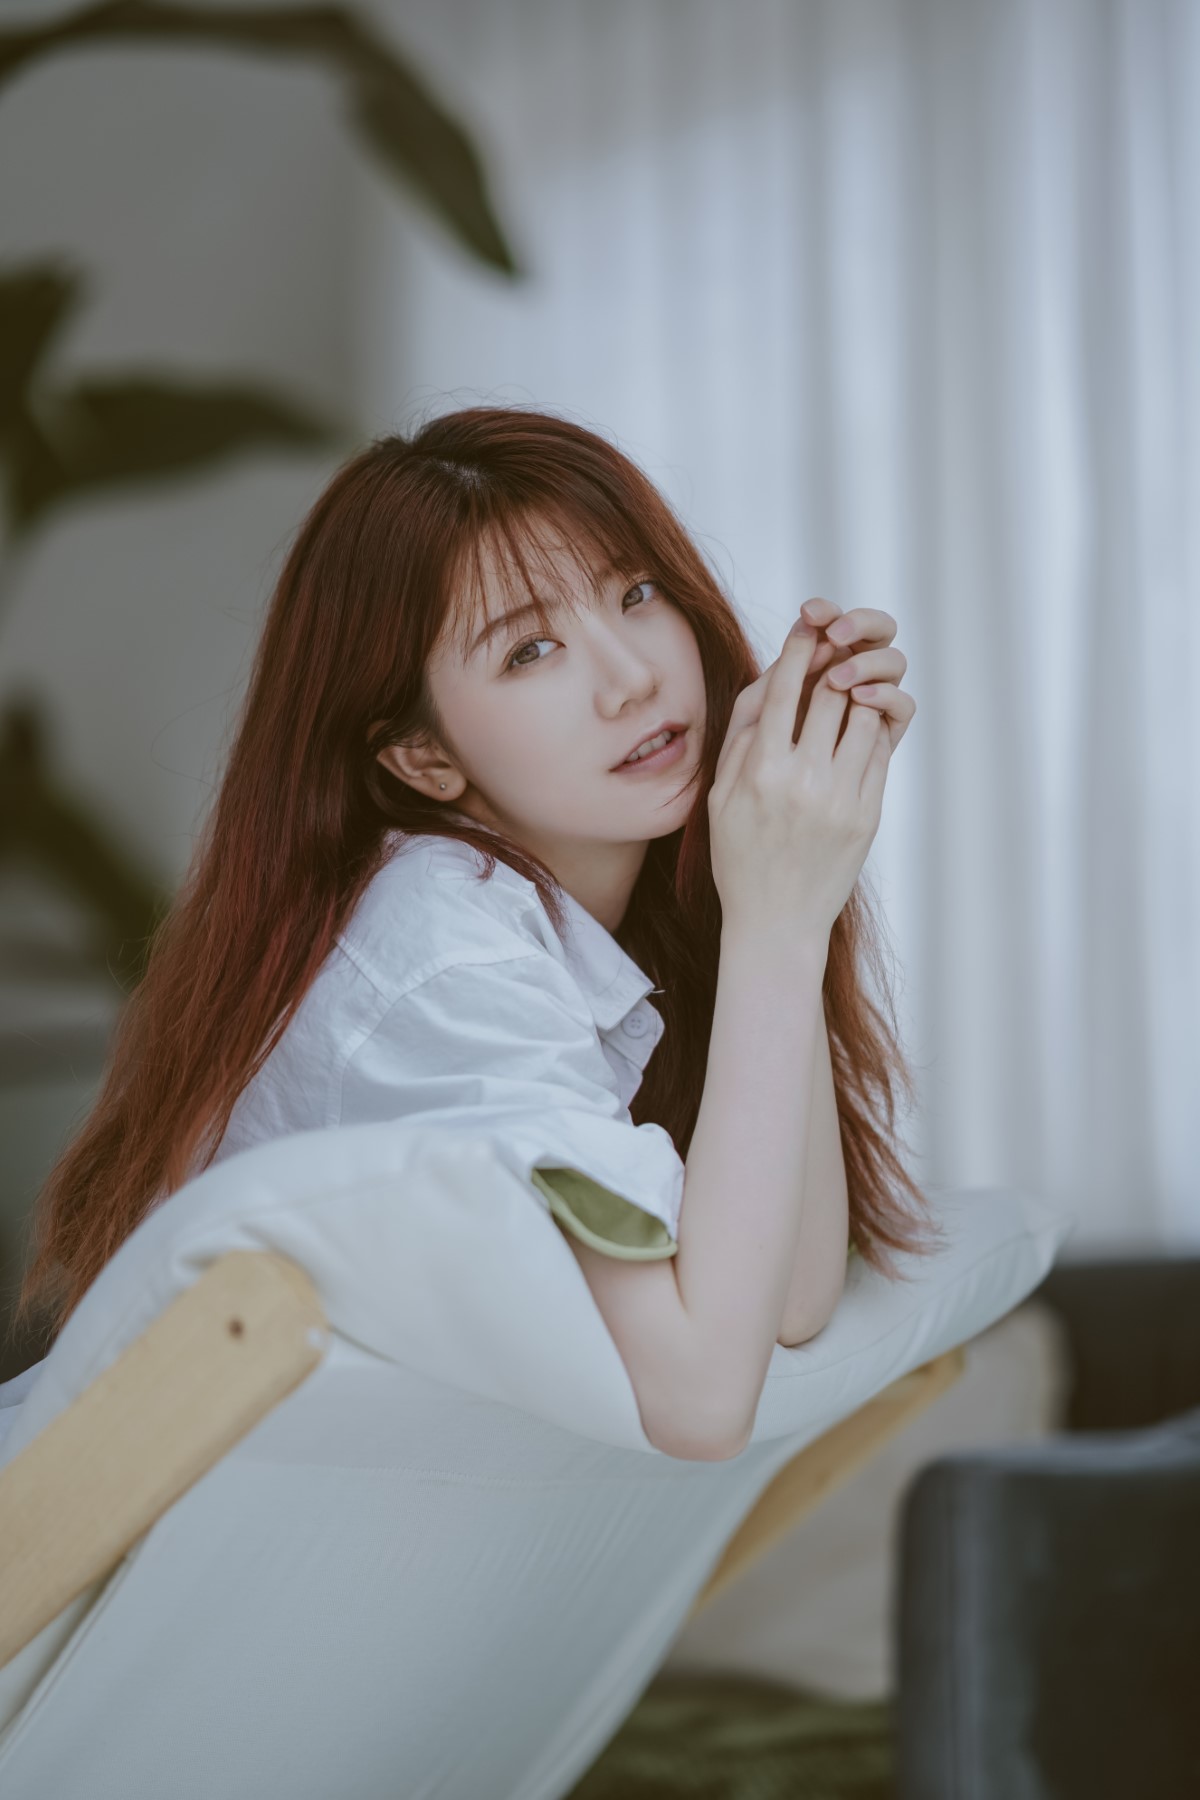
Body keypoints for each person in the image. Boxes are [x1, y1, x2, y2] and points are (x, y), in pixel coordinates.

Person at [3, 405, 943, 1461]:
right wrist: (776, 923)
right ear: (424, 759)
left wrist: (785, 902)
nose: (631, 676)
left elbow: (791, 1298)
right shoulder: (445, 956)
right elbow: (699, 1399)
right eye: (530, 650)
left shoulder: (544, 931)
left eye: (636, 593)